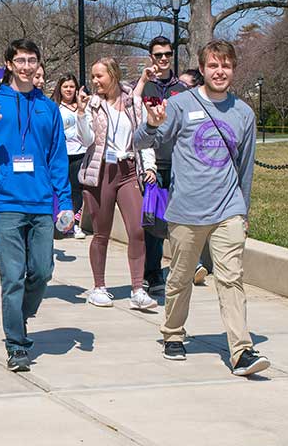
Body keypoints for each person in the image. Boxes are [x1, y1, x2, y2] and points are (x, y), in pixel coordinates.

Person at [135, 40, 270, 377]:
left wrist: (244, 211)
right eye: (213, 65)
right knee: (180, 278)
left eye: (225, 65)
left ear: (233, 69)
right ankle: (173, 333)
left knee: (231, 279)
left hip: (228, 209)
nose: (219, 71)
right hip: (186, 210)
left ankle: (241, 351)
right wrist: (152, 123)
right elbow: (140, 143)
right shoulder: (180, 104)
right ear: (203, 69)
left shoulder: (243, 113)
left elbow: (246, 167)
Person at [0, 39, 74, 372]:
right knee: (13, 276)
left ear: (38, 65)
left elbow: (57, 158)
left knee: (42, 271)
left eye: (32, 61)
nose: (26, 66)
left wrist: (64, 202)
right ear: (9, 64)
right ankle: (16, 344)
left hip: (41, 202)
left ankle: (19, 315)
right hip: (6, 201)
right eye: (20, 61)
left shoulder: (48, 108)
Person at [76, 57, 158, 310]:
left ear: (112, 75)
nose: (94, 81)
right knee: (101, 233)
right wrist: (81, 112)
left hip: (128, 170)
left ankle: (137, 289)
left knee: (137, 230)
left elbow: (143, 136)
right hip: (100, 172)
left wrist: (150, 166)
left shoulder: (134, 103)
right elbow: (86, 139)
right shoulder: (93, 105)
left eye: (99, 76)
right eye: (92, 76)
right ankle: (99, 287)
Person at [134, 36, 188, 292]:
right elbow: (132, 108)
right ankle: (153, 273)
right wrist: (144, 80)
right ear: (151, 57)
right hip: (152, 164)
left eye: (168, 54)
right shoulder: (146, 88)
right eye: (159, 55)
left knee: (179, 220)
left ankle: (183, 268)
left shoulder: (183, 89)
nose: (164, 58)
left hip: (178, 163)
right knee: (153, 220)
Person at [52, 74, 87, 239]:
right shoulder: (55, 107)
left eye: (72, 86)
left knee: (77, 190)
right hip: (62, 154)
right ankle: (60, 223)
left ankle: (76, 224)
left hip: (80, 153)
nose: (68, 90)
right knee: (61, 189)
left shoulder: (82, 106)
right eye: (65, 86)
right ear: (60, 88)